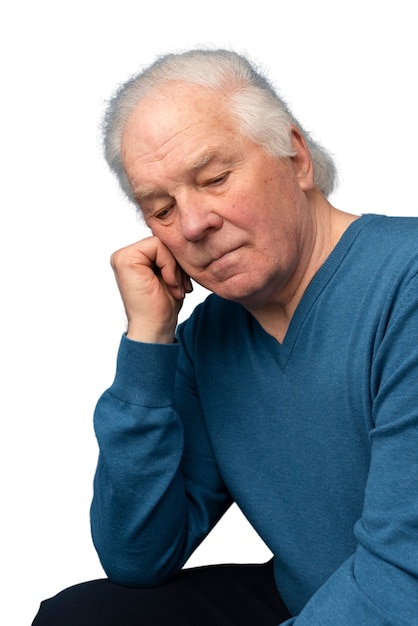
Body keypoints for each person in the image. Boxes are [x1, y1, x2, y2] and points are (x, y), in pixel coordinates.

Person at [32, 49, 418, 625]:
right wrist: (149, 342)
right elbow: (137, 555)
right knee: (86, 616)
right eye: (160, 208)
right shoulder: (209, 338)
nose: (192, 224)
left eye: (214, 179)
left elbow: (404, 579)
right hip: (313, 597)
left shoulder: (404, 284)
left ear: (297, 158)